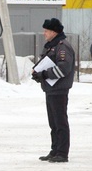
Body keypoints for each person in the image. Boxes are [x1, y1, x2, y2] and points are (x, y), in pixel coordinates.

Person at [31, 17, 76, 162]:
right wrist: (38, 75)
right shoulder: (52, 45)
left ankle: (62, 153)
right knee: (53, 122)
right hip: (51, 89)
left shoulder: (62, 46)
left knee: (60, 121)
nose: (44, 33)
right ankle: (55, 150)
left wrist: (44, 74)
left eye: (47, 31)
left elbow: (63, 68)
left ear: (54, 32)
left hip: (59, 89)